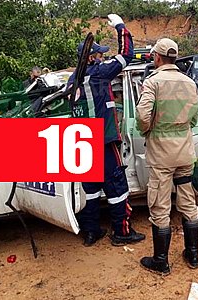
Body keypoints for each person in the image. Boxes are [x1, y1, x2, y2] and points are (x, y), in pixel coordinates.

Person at [68, 14, 145, 247]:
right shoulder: (99, 73)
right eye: (99, 53)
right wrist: (121, 26)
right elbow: (127, 55)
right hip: (103, 139)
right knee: (116, 187)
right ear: (91, 58)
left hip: (82, 144)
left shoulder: (73, 79)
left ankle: (91, 232)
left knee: (90, 189)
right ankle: (121, 231)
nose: (103, 56)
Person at [137, 38, 198, 275]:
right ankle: (193, 255)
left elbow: (143, 116)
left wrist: (148, 130)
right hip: (185, 152)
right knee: (187, 201)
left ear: (157, 58)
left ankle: (161, 262)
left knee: (160, 206)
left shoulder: (153, 82)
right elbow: (194, 115)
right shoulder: (189, 82)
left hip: (162, 155)